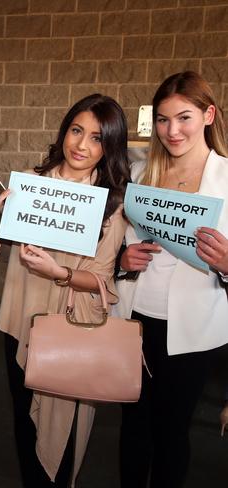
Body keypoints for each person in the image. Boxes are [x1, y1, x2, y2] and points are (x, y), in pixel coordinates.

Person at [0, 94, 131, 487]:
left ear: (109, 147)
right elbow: (8, 254)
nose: (81, 145)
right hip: (20, 322)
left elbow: (103, 280)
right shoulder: (31, 184)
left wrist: (61, 272)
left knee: (63, 430)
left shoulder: (112, 203)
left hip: (69, 328)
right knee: (24, 422)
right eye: (76, 130)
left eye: (96, 138)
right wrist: (3, 218)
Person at [114, 71, 228, 488]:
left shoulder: (227, 179)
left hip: (193, 330)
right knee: (133, 427)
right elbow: (119, 251)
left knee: (171, 433)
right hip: (136, 318)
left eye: (184, 118)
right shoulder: (142, 173)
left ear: (209, 115)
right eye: (162, 120)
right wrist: (124, 259)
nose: (172, 130)